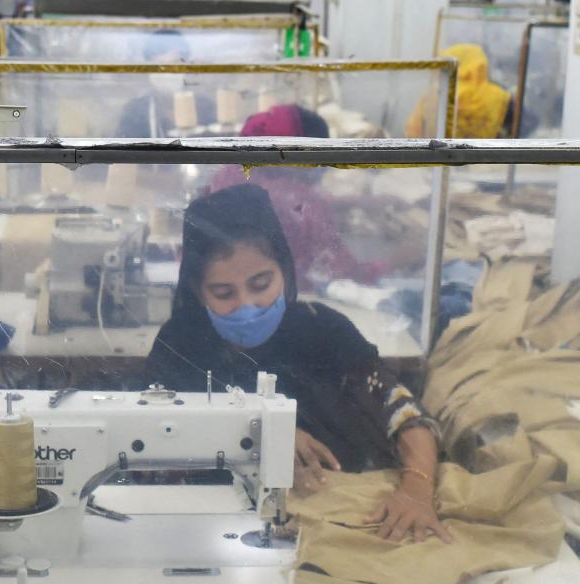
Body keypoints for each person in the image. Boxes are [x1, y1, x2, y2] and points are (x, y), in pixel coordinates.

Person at [146, 183, 451, 543]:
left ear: (285, 271)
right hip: (206, 523)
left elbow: (404, 414)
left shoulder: (323, 330)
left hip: (327, 509)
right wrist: (257, 434)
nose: (248, 305)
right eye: (224, 293)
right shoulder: (181, 344)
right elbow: (152, 437)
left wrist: (416, 489)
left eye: (261, 283)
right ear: (198, 291)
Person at [207, 104, 387, 290]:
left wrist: (355, 201)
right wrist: (400, 259)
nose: (321, 165)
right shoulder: (302, 200)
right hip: (279, 301)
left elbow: (280, 201)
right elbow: (346, 274)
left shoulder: (228, 174)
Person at [406, 43, 514, 139]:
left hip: (436, 155)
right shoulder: (497, 96)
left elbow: (414, 132)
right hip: (484, 156)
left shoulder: (431, 96)